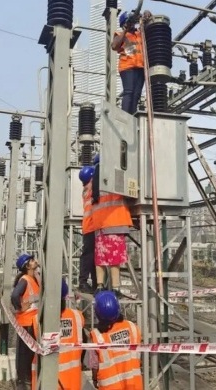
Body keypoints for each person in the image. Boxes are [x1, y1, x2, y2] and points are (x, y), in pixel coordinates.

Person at [31, 279, 86, 390]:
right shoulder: (77, 316)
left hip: (48, 381)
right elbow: (84, 346)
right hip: (72, 381)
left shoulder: (38, 320)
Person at [91, 154, 133, 297]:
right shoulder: (115, 177)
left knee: (101, 258)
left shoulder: (94, 183)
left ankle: (100, 286)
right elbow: (129, 193)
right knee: (115, 259)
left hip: (100, 226)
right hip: (115, 222)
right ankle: (115, 288)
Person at [87, 291, 143, 389]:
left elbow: (94, 364)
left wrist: (95, 379)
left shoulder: (97, 335)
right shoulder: (132, 327)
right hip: (133, 384)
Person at [111, 9, 152, 115]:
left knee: (136, 94)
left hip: (140, 67)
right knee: (129, 92)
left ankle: (132, 117)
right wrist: (125, 30)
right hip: (127, 67)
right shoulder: (120, 34)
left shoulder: (140, 34)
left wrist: (147, 16)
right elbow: (114, 46)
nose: (133, 24)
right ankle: (125, 117)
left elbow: (150, 26)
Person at [11, 253, 41, 390]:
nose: (35, 261)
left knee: (28, 354)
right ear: (27, 265)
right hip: (26, 322)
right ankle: (23, 383)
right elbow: (14, 295)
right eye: (33, 260)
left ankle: (27, 381)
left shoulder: (33, 278)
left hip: (32, 322)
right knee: (25, 355)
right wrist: (20, 307)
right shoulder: (25, 280)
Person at [79, 165, 97, 294]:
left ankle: (95, 283)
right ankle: (84, 282)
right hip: (92, 225)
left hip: (89, 226)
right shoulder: (91, 187)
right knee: (89, 256)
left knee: (92, 256)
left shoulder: (86, 189)